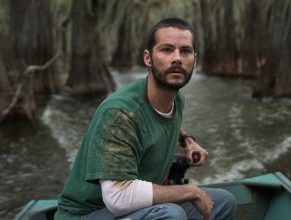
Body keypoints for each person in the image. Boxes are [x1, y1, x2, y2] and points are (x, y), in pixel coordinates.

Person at [55, 17, 236, 220]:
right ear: (148, 58)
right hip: (88, 214)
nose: (177, 58)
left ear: (194, 59)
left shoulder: (176, 99)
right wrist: (190, 191)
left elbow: (162, 119)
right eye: (166, 50)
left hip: (134, 210)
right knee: (171, 214)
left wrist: (188, 140)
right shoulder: (119, 113)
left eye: (185, 51)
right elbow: (119, 198)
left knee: (224, 201)